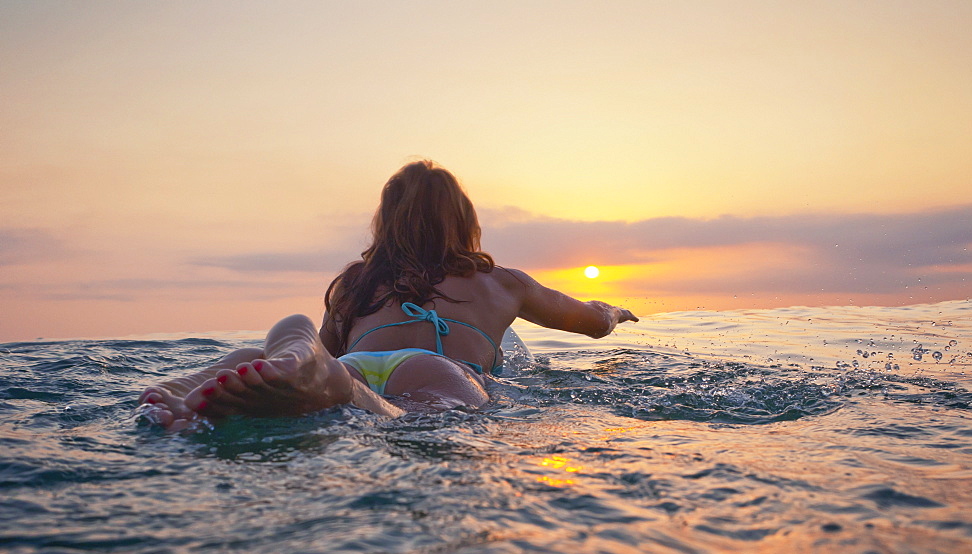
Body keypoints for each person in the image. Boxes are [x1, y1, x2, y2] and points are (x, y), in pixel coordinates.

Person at [137, 161, 638, 430]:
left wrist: (319, 365)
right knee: (416, 418)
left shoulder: (358, 282)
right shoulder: (502, 283)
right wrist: (614, 310)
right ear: (466, 223)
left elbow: (325, 358)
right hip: (436, 373)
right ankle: (349, 392)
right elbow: (591, 321)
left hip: (352, 363)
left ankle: (221, 378)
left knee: (289, 372)